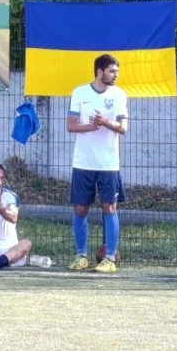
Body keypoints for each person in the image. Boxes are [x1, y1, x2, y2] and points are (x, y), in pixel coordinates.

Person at [66, 54, 129, 273]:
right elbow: (71, 126)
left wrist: (105, 122)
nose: (116, 75)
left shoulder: (119, 94)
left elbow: (123, 127)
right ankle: (81, 256)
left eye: (117, 71)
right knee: (80, 208)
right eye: (112, 71)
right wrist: (92, 127)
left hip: (108, 164)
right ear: (100, 71)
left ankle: (110, 258)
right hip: (83, 162)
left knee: (109, 207)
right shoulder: (79, 93)